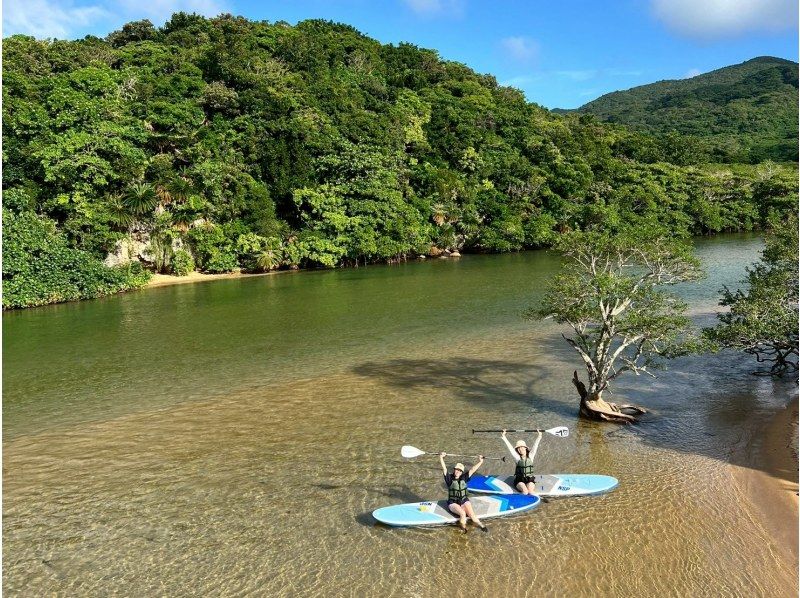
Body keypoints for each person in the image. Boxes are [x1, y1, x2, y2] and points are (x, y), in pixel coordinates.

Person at [439, 452, 488, 533]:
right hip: (453, 503)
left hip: (464, 501)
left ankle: (481, 526)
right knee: (462, 514)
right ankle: (463, 528)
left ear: (461, 472)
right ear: (454, 470)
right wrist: (441, 457)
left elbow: (472, 470)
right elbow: (444, 469)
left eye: (460, 470)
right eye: (456, 469)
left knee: (472, 515)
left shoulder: (464, 477)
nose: (458, 471)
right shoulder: (449, 478)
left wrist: (480, 461)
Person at [501, 429, 542, 495]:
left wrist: (539, 436)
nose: (520, 449)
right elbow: (510, 448)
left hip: (530, 479)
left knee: (530, 491)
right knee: (525, 491)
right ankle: (520, 500)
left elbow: (535, 446)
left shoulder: (531, 456)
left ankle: (538, 498)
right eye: (518, 448)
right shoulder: (517, 458)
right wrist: (504, 437)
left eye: (522, 447)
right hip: (519, 480)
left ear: (525, 448)